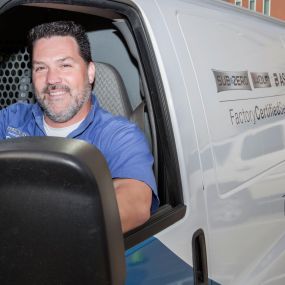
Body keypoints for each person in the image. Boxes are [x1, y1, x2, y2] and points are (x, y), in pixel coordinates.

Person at [0, 21, 159, 233]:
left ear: (90, 72)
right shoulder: (12, 119)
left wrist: (37, 224)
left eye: (64, 65)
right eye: (40, 68)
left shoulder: (118, 135)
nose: (52, 79)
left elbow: (134, 205)